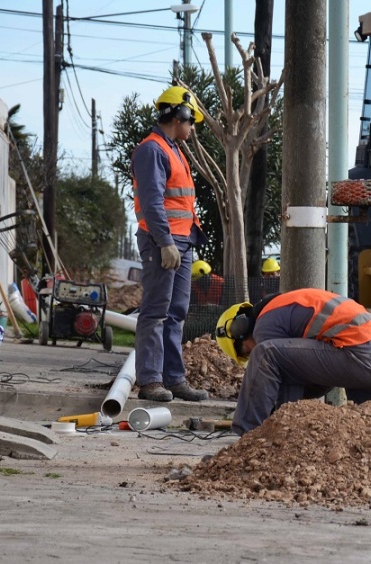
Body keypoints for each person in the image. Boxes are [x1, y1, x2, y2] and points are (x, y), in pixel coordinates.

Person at [222, 289, 371, 435]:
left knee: (265, 353)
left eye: (246, 351)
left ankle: (248, 434)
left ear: (241, 329)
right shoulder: (291, 305)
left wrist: (277, 423)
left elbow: (287, 379)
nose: (251, 354)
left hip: (362, 356)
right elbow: (315, 379)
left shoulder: (265, 323)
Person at [131, 85, 210, 402]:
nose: (193, 127)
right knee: (155, 311)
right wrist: (164, 242)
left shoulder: (172, 149)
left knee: (176, 312)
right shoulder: (152, 150)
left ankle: (173, 379)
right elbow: (152, 203)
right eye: (191, 121)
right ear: (180, 115)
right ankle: (150, 381)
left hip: (182, 241)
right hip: (162, 242)